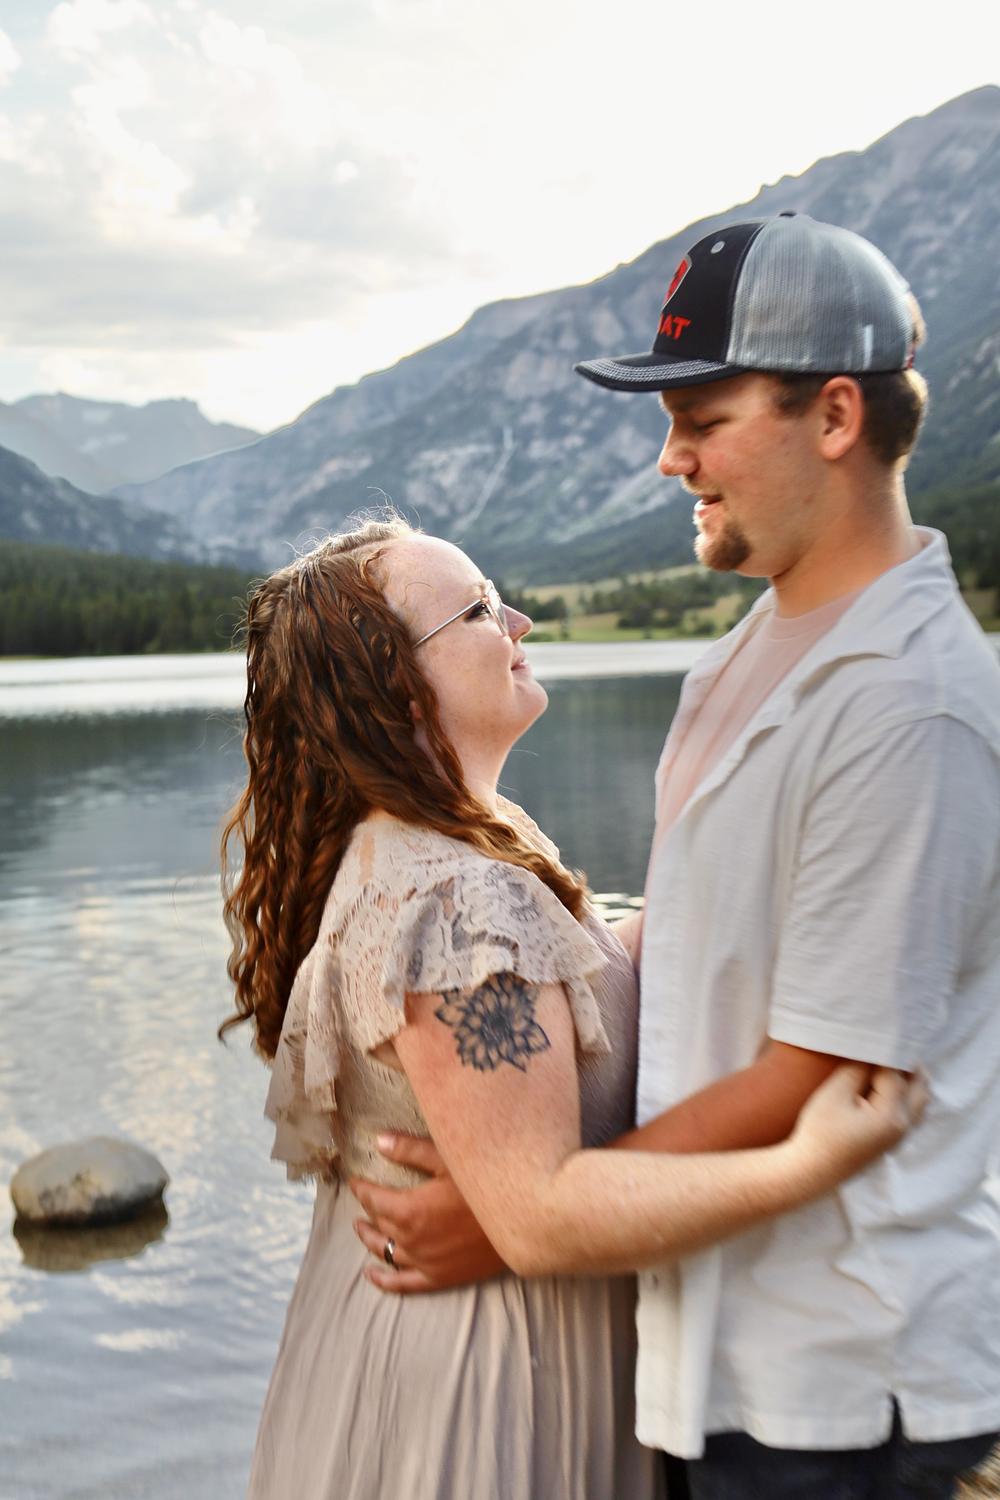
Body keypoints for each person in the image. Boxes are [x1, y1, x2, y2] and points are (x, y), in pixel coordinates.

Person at [352, 214, 1000, 1499]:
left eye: (702, 419)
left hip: (841, 1374)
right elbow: (709, 932)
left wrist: (519, 1219)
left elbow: (818, 1074)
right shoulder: (750, 655)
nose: (670, 459)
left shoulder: (907, 706)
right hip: (722, 1344)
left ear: (833, 415)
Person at [220, 515, 917, 1500]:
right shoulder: (458, 902)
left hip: (430, 1353)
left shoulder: (447, 843)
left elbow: (571, 975)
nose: (520, 622)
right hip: (482, 1398)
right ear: (397, 690)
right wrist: (810, 1163)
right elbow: (539, 1218)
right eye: (478, 611)